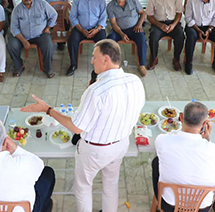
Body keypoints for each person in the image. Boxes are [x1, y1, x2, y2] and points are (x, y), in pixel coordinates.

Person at [19, 39, 145, 212]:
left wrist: (47, 109)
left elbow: (77, 127)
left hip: (95, 150)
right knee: (111, 183)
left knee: (83, 187)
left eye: (94, 57)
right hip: (121, 143)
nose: (92, 60)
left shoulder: (96, 91)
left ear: (106, 59)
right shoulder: (135, 81)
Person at [0, 118, 57, 212]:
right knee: (48, 173)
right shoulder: (21, 165)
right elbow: (39, 164)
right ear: (5, 141)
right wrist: (16, 149)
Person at [150, 102, 215, 212]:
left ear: (181, 118)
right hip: (201, 207)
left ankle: (156, 204)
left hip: (169, 205)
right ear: (205, 123)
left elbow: (173, 138)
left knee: (157, 161)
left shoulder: (162, 141)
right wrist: (206, 140)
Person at [7, 0, 59, 78]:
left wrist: (48, 28)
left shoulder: (42, 4)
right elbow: (14, 28)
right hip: (22, 36)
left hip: (40, 34)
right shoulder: (17, 10)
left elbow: (54, 15)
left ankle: (48, 68)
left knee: (48, 45)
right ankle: (19, 67)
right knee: (11, 45)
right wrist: (24, 41)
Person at [67, 0, 108, 76]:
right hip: (81, 28)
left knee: (103, 42)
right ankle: (73, 64)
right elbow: (73, 16)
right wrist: (81, 29)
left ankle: (102, 66)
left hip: (96, 28)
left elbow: (103, 17)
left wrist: (97, 29)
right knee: (72, 40)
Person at [182, 0, 215, 76]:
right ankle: (188, 62)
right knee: (191, 35)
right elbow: (188, 18)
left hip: (209, 27)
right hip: (194, 26)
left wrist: (209, 30)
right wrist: (198, 30)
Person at [105, 0, 148, 76]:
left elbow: (142, 13)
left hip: (134, 27)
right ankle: (111, 65)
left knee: (141, 39)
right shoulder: (110, 6)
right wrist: (121, 34)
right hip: (119, 30)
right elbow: (113, 23)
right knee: (110, 40)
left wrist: (139, 25)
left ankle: (142, 65)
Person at [145, 0, 185, 71]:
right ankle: (154, 58)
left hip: (173, 23)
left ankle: (176, 59)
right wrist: (160, 25)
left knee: (181, 35)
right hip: (158, 23)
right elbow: (149, 16)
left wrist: (173, 25)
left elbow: (179, 13)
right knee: (153, 36)